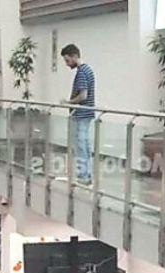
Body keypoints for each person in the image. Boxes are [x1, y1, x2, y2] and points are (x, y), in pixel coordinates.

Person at [60, 43, 96, 183]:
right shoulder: (88, 70)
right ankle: (86, 174)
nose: (67, 64)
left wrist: (68, 102)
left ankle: (83, 175)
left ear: (75, 56)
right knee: (84, 144)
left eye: (67, 60)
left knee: (81, 144)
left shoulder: (81, 72)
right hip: (87, 113)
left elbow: (83, 95)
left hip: (81, 114)